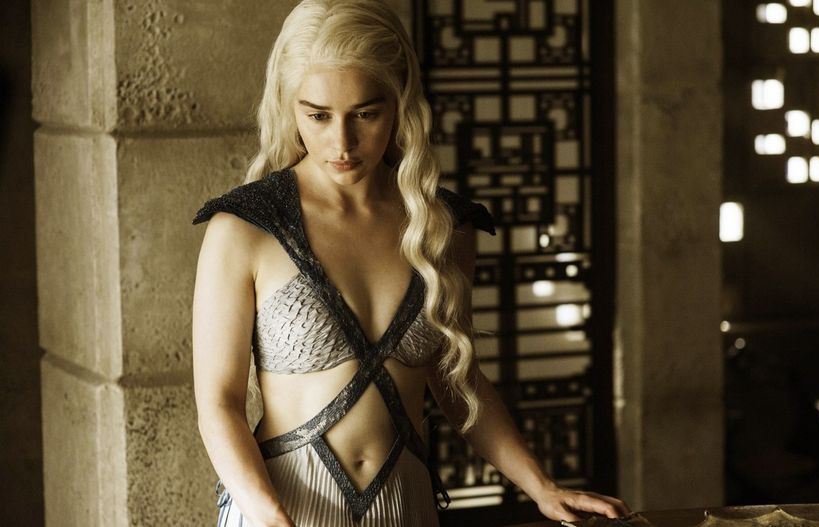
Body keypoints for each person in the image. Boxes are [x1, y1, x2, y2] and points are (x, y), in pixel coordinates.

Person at [191, 1, 631, 525]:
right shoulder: (244, 228)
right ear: (289, 107)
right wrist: (270, 517)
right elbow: (218, 403)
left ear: (400, 102)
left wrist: (542, 486)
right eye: (318, 115)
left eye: (365, 114)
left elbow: (457, 380)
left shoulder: (443, 227)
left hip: (405, 504)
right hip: (282, 509)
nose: (342, 142)